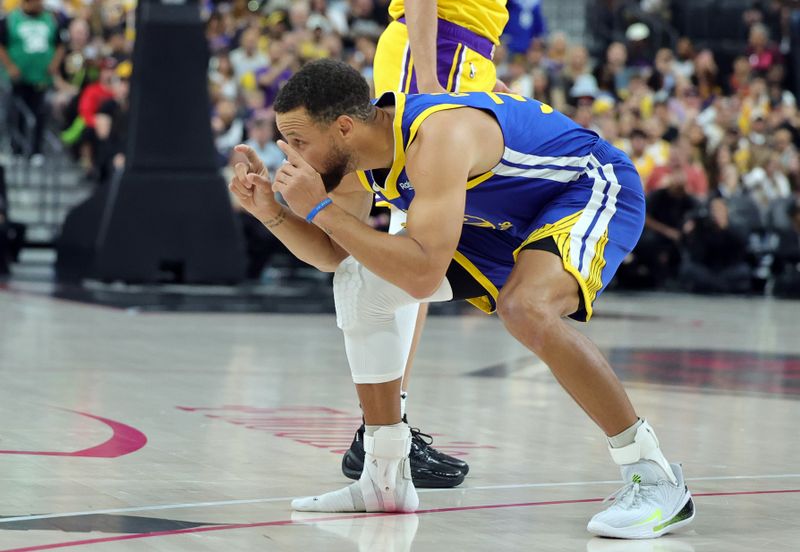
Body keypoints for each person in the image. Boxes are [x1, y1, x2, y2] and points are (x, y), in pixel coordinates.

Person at [229, 59, 695, 539]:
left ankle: (655, 477)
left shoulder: (438, 136)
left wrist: (321, 209)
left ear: (344, 127)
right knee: (358, 286)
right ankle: (384, 478)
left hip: (588, 186)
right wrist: (273, 214)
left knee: (525, 308)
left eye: (300, 142)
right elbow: (333, 254)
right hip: (495, 219)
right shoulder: (352, 160)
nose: (293, 156)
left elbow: (422, 274)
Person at [335, 0, 511, 490]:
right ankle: (382, 431)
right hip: (437, 51)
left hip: (460, 54)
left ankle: (385, 428)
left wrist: (480, 77)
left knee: (422, 251)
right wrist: (432, 83)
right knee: (415, 248)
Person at [0, 0, 65, 158]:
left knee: (39, 113)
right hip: (17, 79)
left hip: (41, 78)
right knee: (16, 113)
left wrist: (54, 64)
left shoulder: (51, 19)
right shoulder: (10, 19)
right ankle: (17, 148)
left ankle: (36, 149)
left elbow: (60, 45)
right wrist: (10, 67)